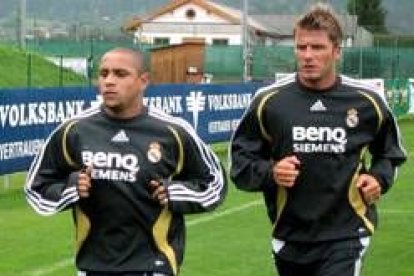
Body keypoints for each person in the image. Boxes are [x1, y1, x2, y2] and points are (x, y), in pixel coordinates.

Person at [230, 4, 406, 276]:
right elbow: (240, 163)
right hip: (289, 235)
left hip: (346, 233)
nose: (308, 56)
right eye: (301, 48)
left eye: (317, 47)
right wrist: (271, 172)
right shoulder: (269, 102)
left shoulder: (367, 102)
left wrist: (378, 179)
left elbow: (390, 154)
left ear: (336, 51)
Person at [25, 47, 227, 276]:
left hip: (153, 267)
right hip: (93, 268)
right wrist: (70, 188)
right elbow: (36, 188)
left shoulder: (173, 132)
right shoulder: (74, 131)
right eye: (103, 74)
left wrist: (176, 193)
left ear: (143, 81)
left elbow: (214, 183)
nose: (109, 82)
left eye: (120, 74)